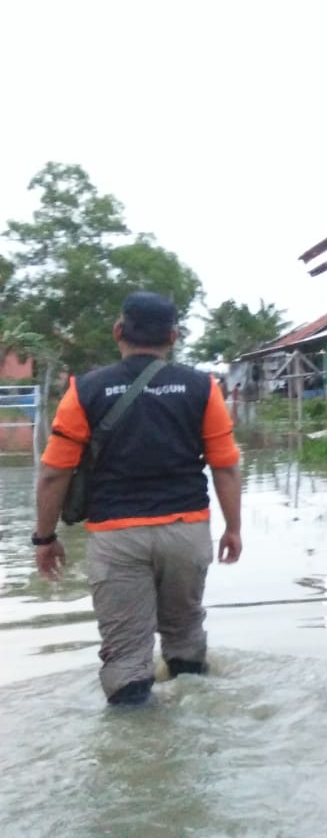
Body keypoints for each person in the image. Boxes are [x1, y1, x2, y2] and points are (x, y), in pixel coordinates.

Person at [31, 291, 242, 706]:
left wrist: (44, 538)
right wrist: (233, 528)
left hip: (116, 536)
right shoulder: (202, 387)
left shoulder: (85, 390)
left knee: (126, 656)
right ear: (174, 336)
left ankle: (136, 749)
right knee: (184, 636)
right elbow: (226, 466)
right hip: (187, 532)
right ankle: (193, 717)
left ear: (118, 332)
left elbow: (54, 473)